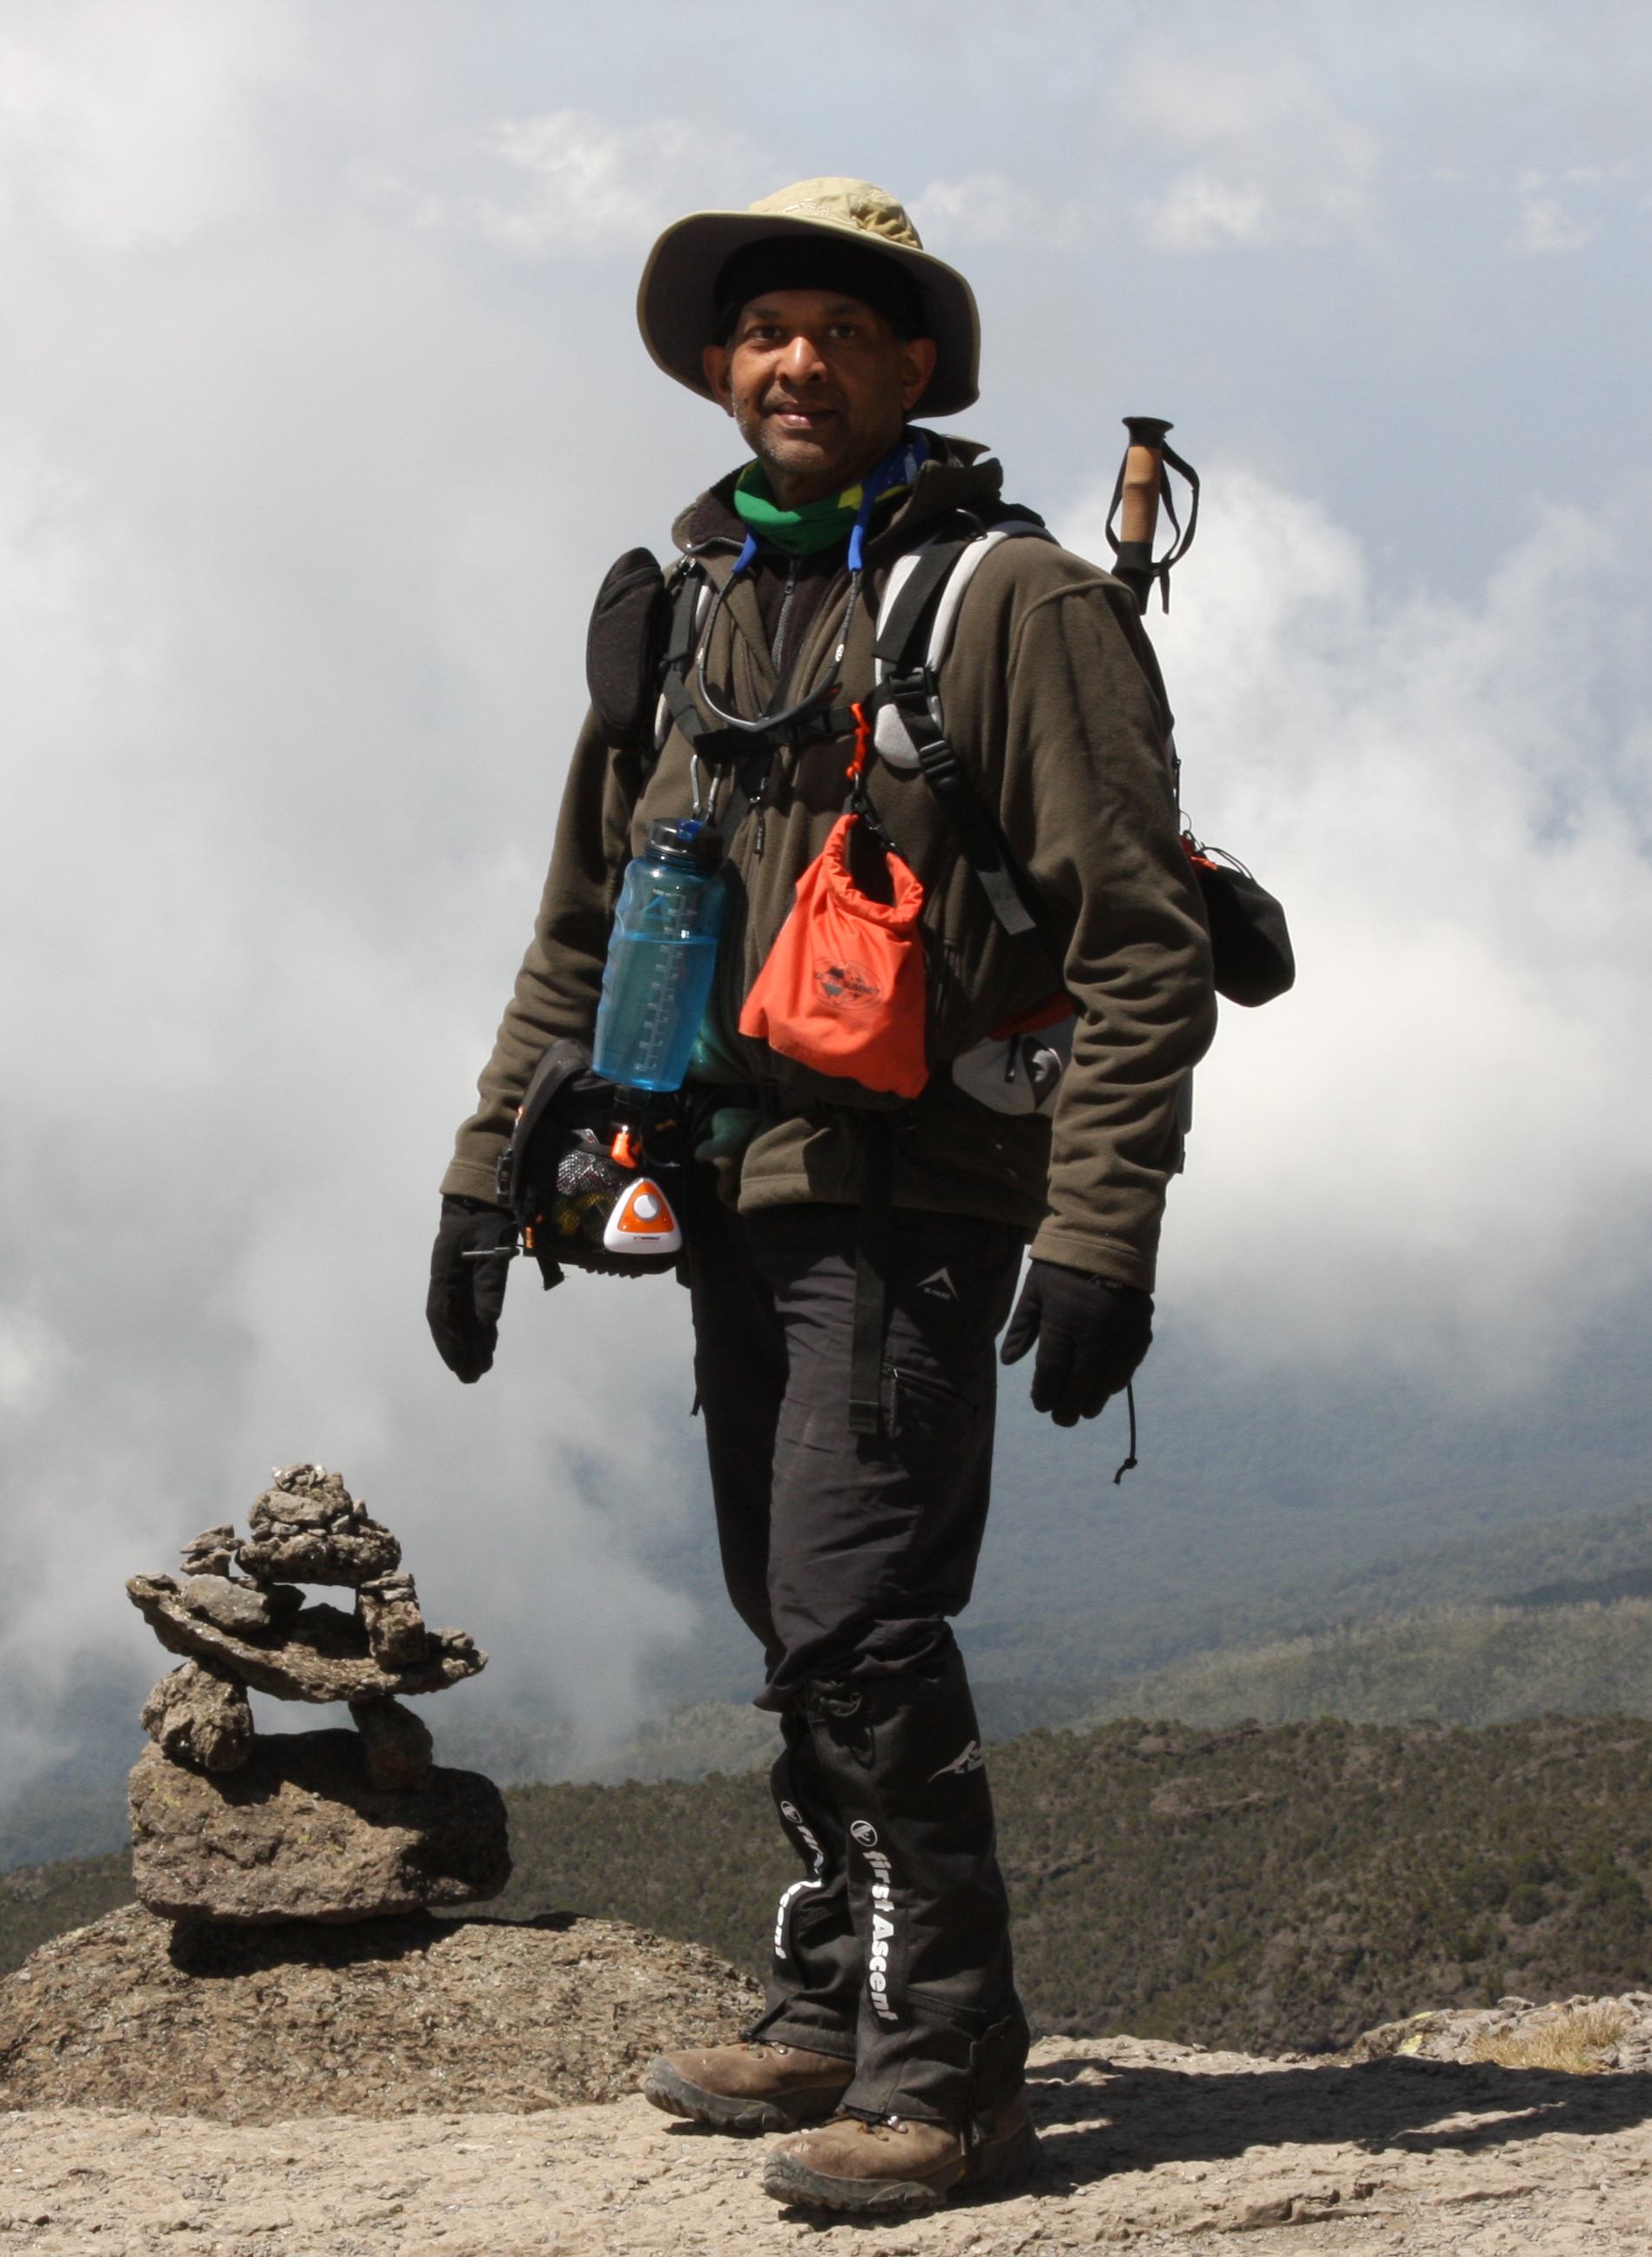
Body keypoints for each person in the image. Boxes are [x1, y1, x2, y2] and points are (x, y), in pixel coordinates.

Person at [426, 177, 1217, 2215]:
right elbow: (584, 929)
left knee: (860, 1622)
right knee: (792, 1612)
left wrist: (1101, 1229)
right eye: (766, 330)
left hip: (908, 1192)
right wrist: (488, 1180)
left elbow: (1142, 944)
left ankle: (951, 2072)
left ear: (915, 366)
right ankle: (833, 2005)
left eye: (843, 332)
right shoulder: (686, 611)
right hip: (727, 1187)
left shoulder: (1009, 607)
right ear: (718, 365)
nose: (797, 362)